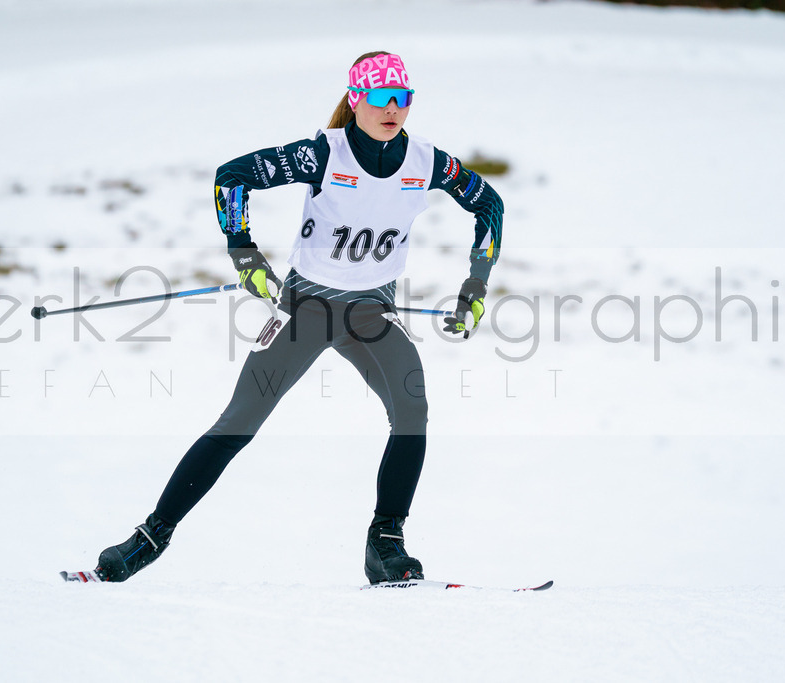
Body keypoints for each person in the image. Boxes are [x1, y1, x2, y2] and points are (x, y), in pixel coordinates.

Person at [93, 51, 504, 584]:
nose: (392, 109)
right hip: (306, 307)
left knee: (412, 409)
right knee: (239, 422)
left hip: (372, 312)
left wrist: (475, 284)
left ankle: (386, 544)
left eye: (402, 98)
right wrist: (245, 256)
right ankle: (150, 537)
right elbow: (231, 178)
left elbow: (489, 205)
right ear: (356, 99)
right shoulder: (320, 154)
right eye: (380, 98)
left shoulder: (426, 162)